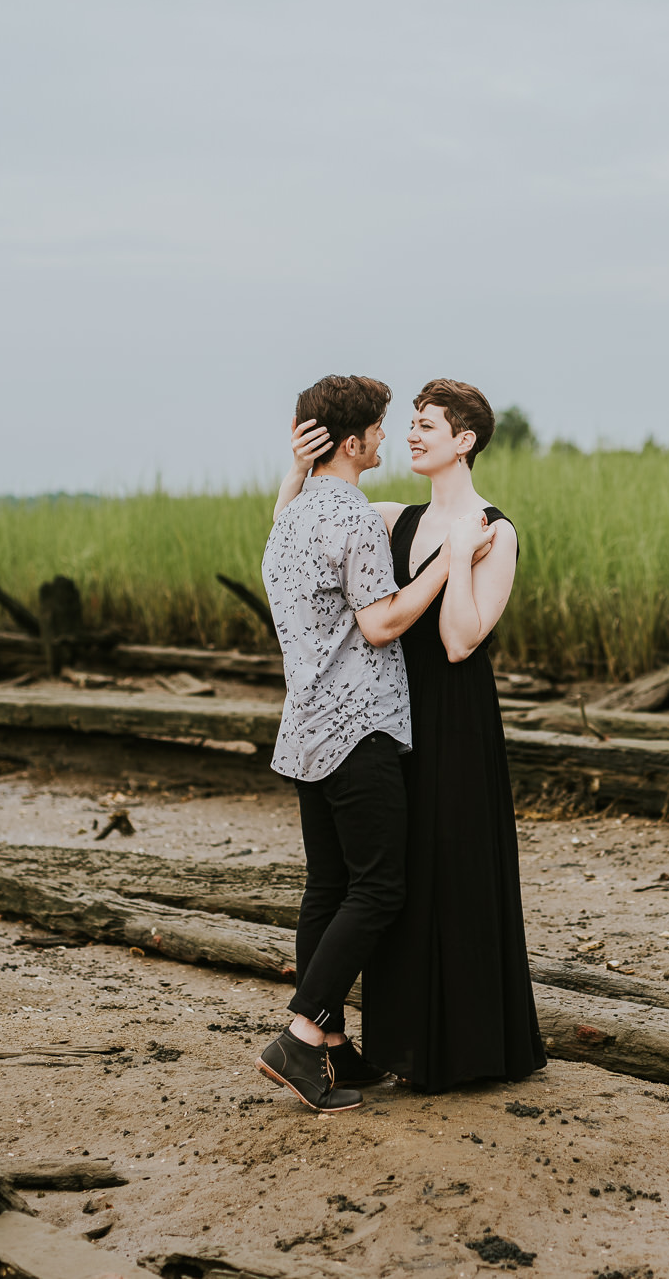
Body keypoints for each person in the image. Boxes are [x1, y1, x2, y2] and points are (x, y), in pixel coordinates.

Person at [254, 374, 490, 1114]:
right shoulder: (352, 516)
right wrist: (449, 564)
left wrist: (294, 468)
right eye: (383, 428)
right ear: (352, 442)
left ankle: (329, 1049)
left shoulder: (289, 517)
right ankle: (299, 1035)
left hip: (306, 731)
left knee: (328, 888)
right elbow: (382, 623)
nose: (390, 438)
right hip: (359, 730)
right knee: (380, 887)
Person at [360, 378, 546, 1092]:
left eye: (426, 424)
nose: (411, 434)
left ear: (464, 441)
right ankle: (405, 1046)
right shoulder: (391, 517)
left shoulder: (498, 529)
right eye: (410, 423)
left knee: (459, 870)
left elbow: (460, 639)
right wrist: (296, 466)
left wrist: (465, 550)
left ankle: (473, 1050)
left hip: (458, 718)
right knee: (401, 873)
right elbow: (294, 526)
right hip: (393, 713)